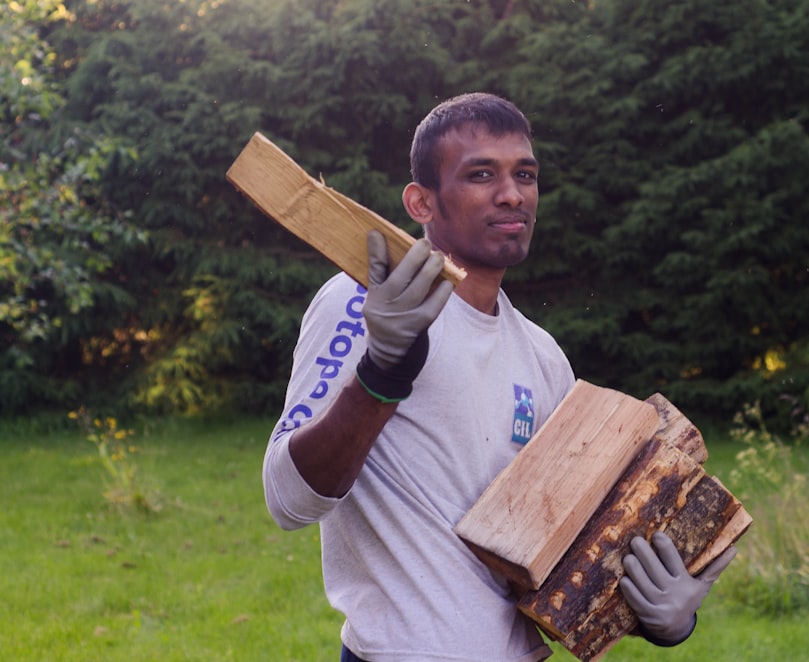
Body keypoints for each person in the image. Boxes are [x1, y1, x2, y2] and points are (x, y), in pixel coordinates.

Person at [263, 92, 735, 662]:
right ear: (421, 201)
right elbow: (287, 499)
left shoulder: (542, 357)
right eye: (481, 174)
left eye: (525, 174)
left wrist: (662, 618)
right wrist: (381, 374)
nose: (512, 193)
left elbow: (565, 559)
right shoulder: (364, 299)